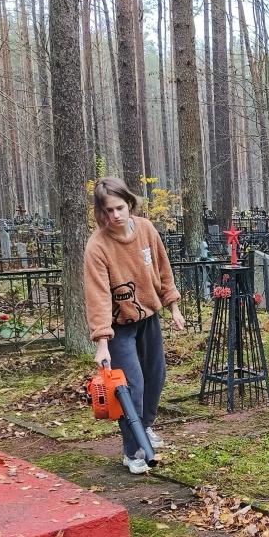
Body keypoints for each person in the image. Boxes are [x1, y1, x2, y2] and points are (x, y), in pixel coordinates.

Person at [84, 176, 186, 474]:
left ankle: (145, 427)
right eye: (108, 211)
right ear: (101, 212)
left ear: (129, 203)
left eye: (119, 208)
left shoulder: (145, 229)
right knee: (130, 387)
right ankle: (133, 451)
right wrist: (102, 343)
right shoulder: (97, 246)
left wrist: (173, 307)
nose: (115, 215)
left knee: (155, 376)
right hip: (119, 327)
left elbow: (163, 269)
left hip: (148, 318)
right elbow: (98, 296)